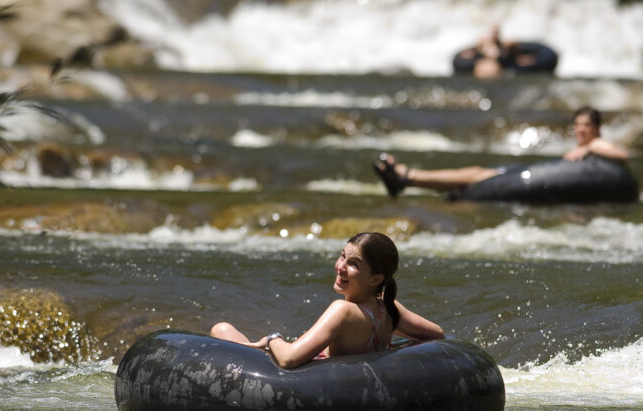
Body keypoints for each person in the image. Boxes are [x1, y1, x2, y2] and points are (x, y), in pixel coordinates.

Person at [210, 231, 444, 369]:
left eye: (353, 264)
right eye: (342, 257)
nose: (340, 267)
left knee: (222, 329)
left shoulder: (343, 311)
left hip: (300, 378)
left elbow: (288, 359)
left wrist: (272, 339)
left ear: (376, 279)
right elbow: (437, 334)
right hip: (344, 378)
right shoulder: (388, 308)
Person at [373, 107, 629, 197]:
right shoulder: (582, 150)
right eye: (577, 125)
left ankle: (408, 177)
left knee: (476, 174)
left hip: (535, 182)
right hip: (531, 177)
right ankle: (407, 179)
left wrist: (590, 147)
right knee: (475, 173)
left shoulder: (597, 146)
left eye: (586, 125)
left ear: (597, 128)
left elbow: (622, 156)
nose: (580, 130)